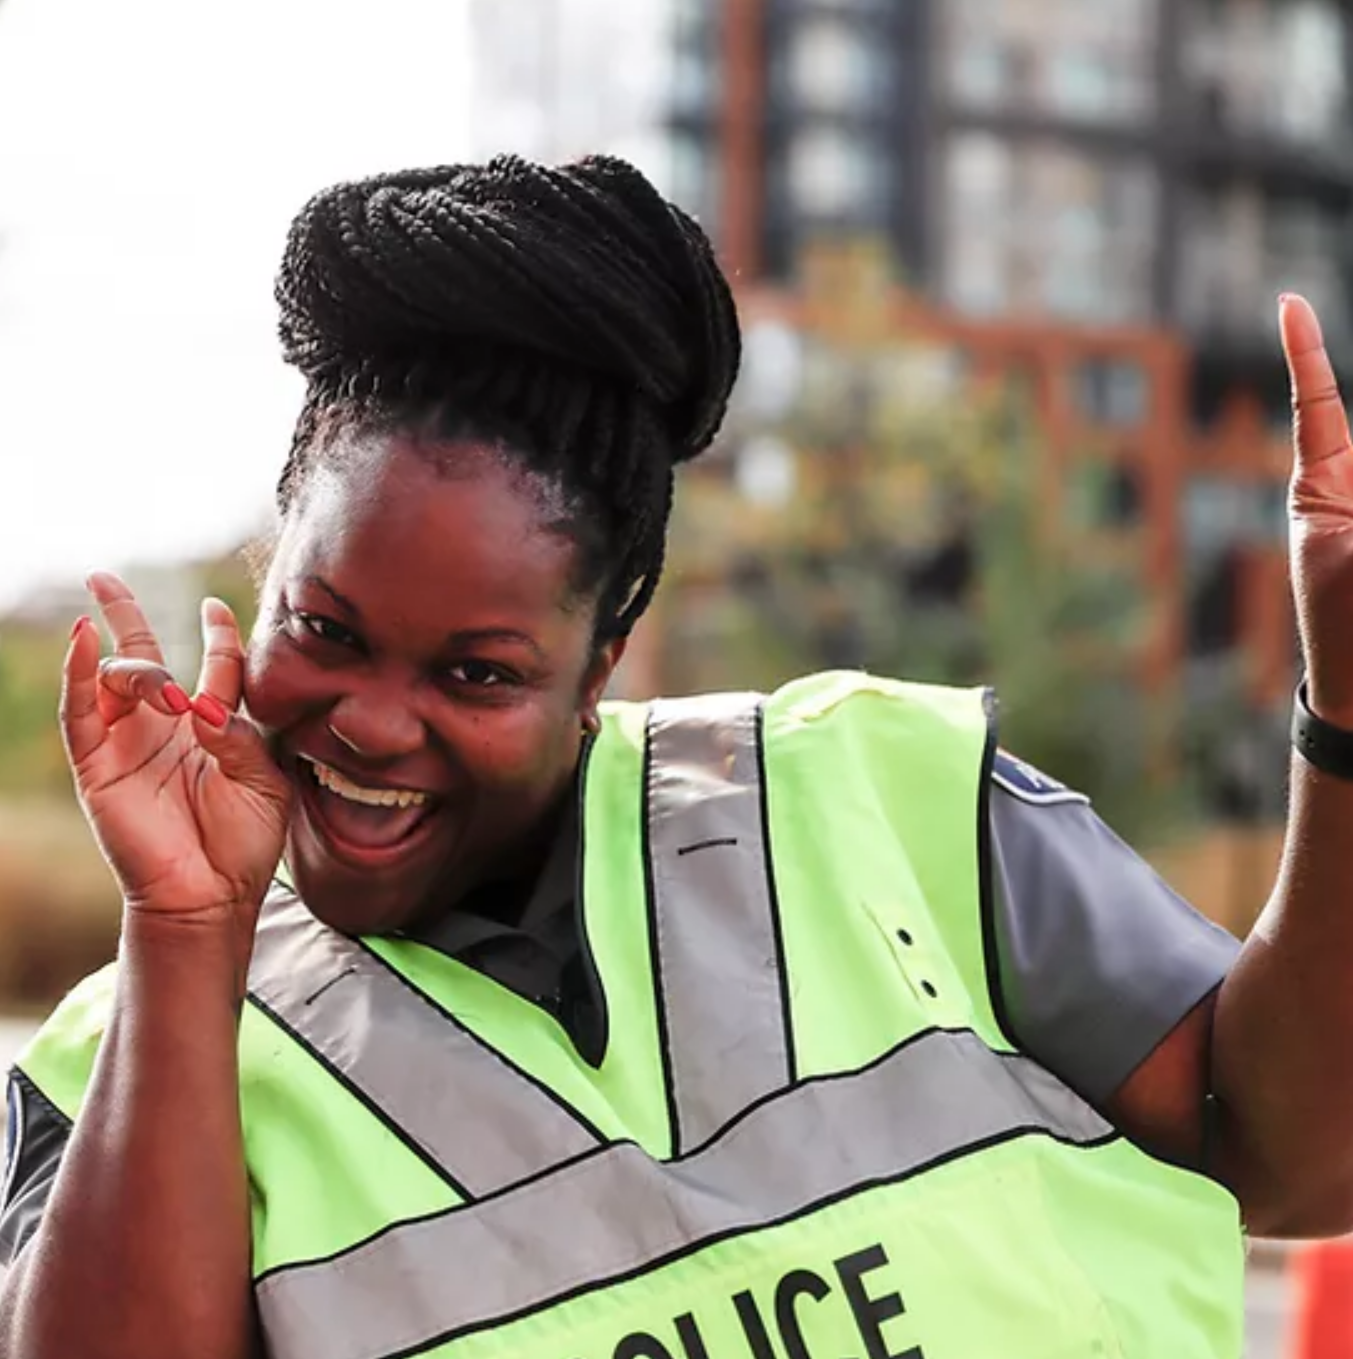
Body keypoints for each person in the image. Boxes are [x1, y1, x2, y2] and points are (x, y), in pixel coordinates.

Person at [0, 155, 1350, 1359]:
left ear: (603, 664)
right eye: (328, 629)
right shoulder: (118, 1062)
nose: (369, 721)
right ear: (267, 570)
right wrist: (185, 926)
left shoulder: (886, 795)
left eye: (476, 672)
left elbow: (1295, 1156)